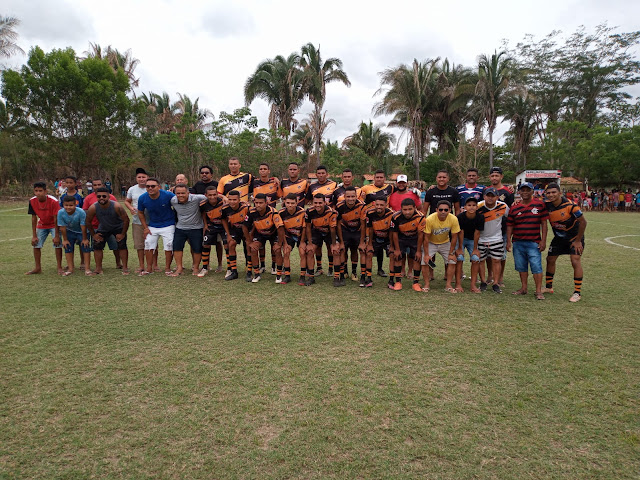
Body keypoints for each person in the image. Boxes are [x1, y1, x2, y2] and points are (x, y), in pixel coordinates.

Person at [542, 183, 587, 303]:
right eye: (548, 193)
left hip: (574, 238)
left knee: (575, 260)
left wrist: (578, 240)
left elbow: (583, 222)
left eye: (553, 192)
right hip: (559, 238)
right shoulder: (547, 205)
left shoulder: (571, 206)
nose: (551, 195)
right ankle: (548, 287)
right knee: (550, 259)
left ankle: (577, 293)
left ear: (560, 193)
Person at [506, 182, 548, 300]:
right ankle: (523, 288)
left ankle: (538, 291)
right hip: (518, 242)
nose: (525, 192)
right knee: (521, 266)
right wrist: (508, 241)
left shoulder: (540, 204)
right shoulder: (514, 207)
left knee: (536, 266)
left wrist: (543, 240)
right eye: (522, 190)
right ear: (519, 192)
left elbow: (544, 224)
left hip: (534, 242)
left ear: (532, 191)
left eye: (527, 190)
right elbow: (510, 225)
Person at [360, 170, 396, 277]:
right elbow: (354, 195)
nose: (379, 179)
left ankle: (380, 269)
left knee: (382, 247)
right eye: (377, 177)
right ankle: (366, 272)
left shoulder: (390, 187)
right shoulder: (366, 188)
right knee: (370, 246)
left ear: (384, 178)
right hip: (370, 220)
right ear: (374, 178)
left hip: (385, 220)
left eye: (381, 177)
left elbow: (402, 188)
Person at [85, 188, 130, 275]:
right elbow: (88, 221)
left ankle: (125, 267)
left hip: (118, 227)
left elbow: (126, 220)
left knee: (122, 245)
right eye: (99, 196)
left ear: (109, 196)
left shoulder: (116, 206)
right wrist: (94, 235)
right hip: (103, 228)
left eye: (104, 196)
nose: (101, 198)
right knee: (97, 245)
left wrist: (122, 234)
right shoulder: (93, 207)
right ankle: (98, 268)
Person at [243, 193, 285, 284]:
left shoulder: (273, 212)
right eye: (256, 202)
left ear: (266, 203)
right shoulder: (251, 212)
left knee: (277, 250)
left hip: (273, 233)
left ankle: (278, 275)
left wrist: (279, 243)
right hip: (260, 233)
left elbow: (280, 228)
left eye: (261, 203)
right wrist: (249, 241)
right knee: (253, 249)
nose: (258, 205)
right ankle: (257, 274)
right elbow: (244, 226)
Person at [137, 178, 176, 276]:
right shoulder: (142, 198)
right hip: (152, 225)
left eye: (153, 186)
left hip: (168, 224)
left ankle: (167, 269)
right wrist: (145, 228)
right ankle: (149, 269)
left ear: (159, 187)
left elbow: (178, 204)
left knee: (169, 245)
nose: (150, 188)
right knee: (148, 244)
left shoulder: (168, 195)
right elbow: (140, 213)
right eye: (148, 186)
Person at [422, 200, 461, 293]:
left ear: (450, 210)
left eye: (446, 210)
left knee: (452, 261)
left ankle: (448, 285)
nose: (443, 212)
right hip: (431, 242)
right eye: (441, 210)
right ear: (436, 210)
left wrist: (451, 253)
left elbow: (454, 237)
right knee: (424, 261)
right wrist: (426, 254)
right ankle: (426, 284)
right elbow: (426, 238)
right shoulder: (430, 219)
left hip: (445, 242)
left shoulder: (453, 219)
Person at [83, 178, 122, 271]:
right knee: (97, 247)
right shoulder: (88, 198)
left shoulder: (111, 197)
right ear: (92, 186)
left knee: (115, 246)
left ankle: (118, 263)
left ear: (103, 185)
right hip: (95, 227)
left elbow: (117, 211)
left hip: (110, 226)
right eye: (95, 185)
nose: (97, 187)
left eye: (99, 184)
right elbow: (85, 211)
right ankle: (98, 267)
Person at [306, 165, 338, 276]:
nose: (321, 175)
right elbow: (307, 200)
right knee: (317, 246)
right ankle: (319, 268)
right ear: (316, 175)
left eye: (323, 173)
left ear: (327, 174)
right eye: (318, 173)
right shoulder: (312, 186)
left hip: (329, 218)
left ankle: (330, 268)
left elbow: (336, 200)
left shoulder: (333, 184)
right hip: (317, 221)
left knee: (330, 246)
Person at [169, 185, 207, 276]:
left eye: (183, 193)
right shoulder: (173, 200)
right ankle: (179, 268)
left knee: (197, 249)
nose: (180, 195)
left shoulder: (197, 198)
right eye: (178, 193)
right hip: (180, 227)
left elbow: (211, 196)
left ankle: (196, 268)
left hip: (196, 228)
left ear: (188, 193)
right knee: (177, 248)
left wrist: (224, 197)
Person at [26, 182, 63, 275]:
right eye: (36, 191)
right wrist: (34, 235)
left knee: (57, 244)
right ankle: (37, 268)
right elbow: (34, 218)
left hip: (53, 224)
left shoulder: (53, 201)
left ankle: (59, 267)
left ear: (45, 191)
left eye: (40, 191)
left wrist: (57, 235)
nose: (38, 193)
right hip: (42, 224)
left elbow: (56, 218)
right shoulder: (32, 201)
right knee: (36, 244)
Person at [487, 166, 515, 287]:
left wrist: (509, 233)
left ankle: (500, 277)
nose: (494, 178)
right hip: (488, 229)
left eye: (497, 175)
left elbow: (511, 212)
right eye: (492, 176)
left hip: (502, 229)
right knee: (488, 254)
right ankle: (490, 275)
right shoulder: (486, 190)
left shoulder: (508, 192)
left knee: (501, 255)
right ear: (489, 177)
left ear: (501, 177)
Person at [476, 188, 508, 293]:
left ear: (497, 197)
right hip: (481, 239)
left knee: (496, 260)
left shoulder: (503, 206)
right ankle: (483, 282)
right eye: (488, 195)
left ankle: (496, 283)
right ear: (484, 196)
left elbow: (510, 218)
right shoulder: (478, 206)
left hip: (497, 238)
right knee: (481, 261)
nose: (490, 198)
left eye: (493, 196)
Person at [390, 198, 425, 291]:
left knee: (417, 258)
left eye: (410, 209)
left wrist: (418, 250)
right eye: (405, 209)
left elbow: (421, 234)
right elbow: (394, 234)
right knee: (397, 257)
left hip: (414, 239)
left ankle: (416, 282)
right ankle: (398, 282)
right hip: (401, 238)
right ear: (401, 209)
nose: (407, 212)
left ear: (415, 208)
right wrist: (397, 249)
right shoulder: (395, 217)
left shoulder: (420, 217)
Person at [252, 162, 281, 274]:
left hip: (272, 218)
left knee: (274, 244)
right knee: (260, 244)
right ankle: (262, 265)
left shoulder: (274, 183)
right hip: (258, 217)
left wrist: (275, 179)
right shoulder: (254, 183)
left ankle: (274, 266)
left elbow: (280, 196)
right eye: (261, 169)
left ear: (269, 171)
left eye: (265, 169)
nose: (263, 170)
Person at [304, 193, 338, 286]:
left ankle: (334, 273)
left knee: (334, 250)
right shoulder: (309, 211)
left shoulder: (331, 212)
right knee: (310, 251)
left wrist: (334, 244)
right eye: (315, 203)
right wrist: (309, 243)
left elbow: (332, 229)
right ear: (312, 203)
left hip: (329, 232)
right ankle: (311, 276)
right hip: (316, 231)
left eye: (320, 203)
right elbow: (308, 227)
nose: (317, 205)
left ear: (325, 203)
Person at [335, 186, 367, 284]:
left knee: (355, 250)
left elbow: (363, 225)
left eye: (353, 196)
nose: (350, 199)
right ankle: (343, 272)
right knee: (343, 250)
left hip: (357, 231)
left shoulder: (362, 206)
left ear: (356, 196)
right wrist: (340, 241)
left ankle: (354, 272)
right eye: (348, 196)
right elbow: (338, 225)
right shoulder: (339, 206)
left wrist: (362, 242)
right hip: (345, 230)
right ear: (344, 196)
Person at [220, 190, 252, 281]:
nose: (232, 202)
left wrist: (250, 236)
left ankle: (249, 272)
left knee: (248, 247)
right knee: (231, 244)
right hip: (234, 230)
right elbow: (223, 220)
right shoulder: (225, 208)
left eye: (234, 200)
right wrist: (228, 234)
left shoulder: (246, 207)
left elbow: (253, 221)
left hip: (247, 230)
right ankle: (234, 272)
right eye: (230, 199)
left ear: (239, 200)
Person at [363, 198, 394, 288]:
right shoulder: (370, 213)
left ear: (386, 205)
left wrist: (392, 245)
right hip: (375, 238)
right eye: (377, 205)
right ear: (374, 204)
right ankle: (368, 278)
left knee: (392, 255)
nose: (379, 207)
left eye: (381, 205)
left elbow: (392, 231)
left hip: (387, 239)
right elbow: (370, 229)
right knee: (369, 253)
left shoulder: (391, 214)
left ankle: (391, 280)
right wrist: (369, 244)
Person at [277, 193, 308, 285]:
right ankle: (287, 276)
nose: (290, 205)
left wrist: (302, 242)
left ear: (296, 203)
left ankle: (302, 276)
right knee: (286, 252)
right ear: (284, 202)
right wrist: (285, 243)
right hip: (289, 236)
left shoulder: (302, 212)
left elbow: (304, 228)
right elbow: (281, 229)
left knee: (302, 252)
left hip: (300, 235)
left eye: (292, 203)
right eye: (288, 203)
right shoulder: (281, 213)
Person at [58, 195, 92, 276]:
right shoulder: (60, 213)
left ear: (75, 204)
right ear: (63, 204)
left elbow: (83, 226)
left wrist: (84, 239)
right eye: (66, 205)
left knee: (85, 247)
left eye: (71, 205)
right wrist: (65, 240)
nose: (68, 207)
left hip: (82, 231)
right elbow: (62, 227)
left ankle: (87, 269)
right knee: (67, 247)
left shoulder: (81, 212)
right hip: (69, 231)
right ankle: (70, 269)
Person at [456, 197, 484, 293]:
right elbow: (460, 232)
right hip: (461, 239)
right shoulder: (460, 217)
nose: (471, 207)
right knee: (459, 258)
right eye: (469, 205)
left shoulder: (480, 217)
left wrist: (475, 249)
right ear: (465, 207)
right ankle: (458, 284)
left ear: (477, 207)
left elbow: (477, 233)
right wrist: (460, 248)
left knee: (475, 259)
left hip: (473, 240)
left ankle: (473, 285)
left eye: (474, 205)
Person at [198, 186, 227, 277]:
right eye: (210, 195)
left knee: (226, 245)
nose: (212, 197)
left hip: (223, 226)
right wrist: (205, 225)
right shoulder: (203, 204)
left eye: (214, 194)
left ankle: (226, 267)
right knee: (205, 244)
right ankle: (205, 268)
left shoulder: (223, 202)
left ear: (217, 194)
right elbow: (203, 213)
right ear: (206, 195)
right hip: (211, 226)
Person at [125, 168, 149, 273]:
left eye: (143, 177)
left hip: (151, 220)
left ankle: (154, 265)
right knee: (139, 245)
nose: (141, 179)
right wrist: (131, 208)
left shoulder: (151, 188)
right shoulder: (132, 189)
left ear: (147, 177)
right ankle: (141, 265)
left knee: (152, 244)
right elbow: (127, 201)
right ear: (136, 178)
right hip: (137, 221)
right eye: (139, 177)